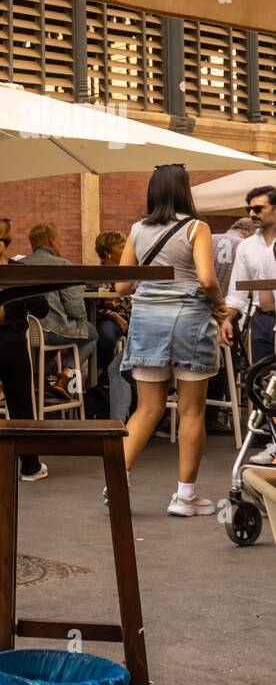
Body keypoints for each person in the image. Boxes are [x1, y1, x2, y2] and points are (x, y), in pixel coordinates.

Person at [116, 164, 229, 516]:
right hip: (189, 321)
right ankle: (185, 496)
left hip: (147, 322)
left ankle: (116, 482)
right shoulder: (197, 228)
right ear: (184, 190)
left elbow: (121, 285)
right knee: (191, 410)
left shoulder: (136, 230)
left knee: (146, 409)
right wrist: (221, 305)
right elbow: (207, 278)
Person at [0, 219, 50, 480]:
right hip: (13, 348)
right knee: (21, 406)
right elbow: (41, 309)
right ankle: (30, 467)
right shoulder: (18, 270)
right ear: (9, 241)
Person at [20, 222, 97, 396]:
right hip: (52, 330)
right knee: (92, 333)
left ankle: (40, 379)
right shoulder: (62, 265)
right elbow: (75, 308)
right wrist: (81, 318)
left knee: (45, 344)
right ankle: (68, 379)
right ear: (52, 241)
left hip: (26, 331)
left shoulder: (20, 264)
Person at [224, 185, 276, 366]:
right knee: (261, 380)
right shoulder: (246, 246)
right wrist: (227, 319)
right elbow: (236, 292)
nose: (252, 214)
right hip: (261, 320)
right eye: (249, 209)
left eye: (258, 208)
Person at [94, 231, 134, 423]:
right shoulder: (97, 274)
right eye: (121, 246)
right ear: (108, 252)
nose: (125, 249)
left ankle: (107, 372)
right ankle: (103, 370)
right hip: (104, 319)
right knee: (104, 335)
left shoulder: (127, 272)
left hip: (127, 319)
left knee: (107, 335)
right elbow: (96, 303)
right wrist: (113, 314)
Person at [213, 217, 257, 297]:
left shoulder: (210, 238)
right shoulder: (246, 245)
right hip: (228, 301)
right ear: (247, 231)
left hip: (200, 297)